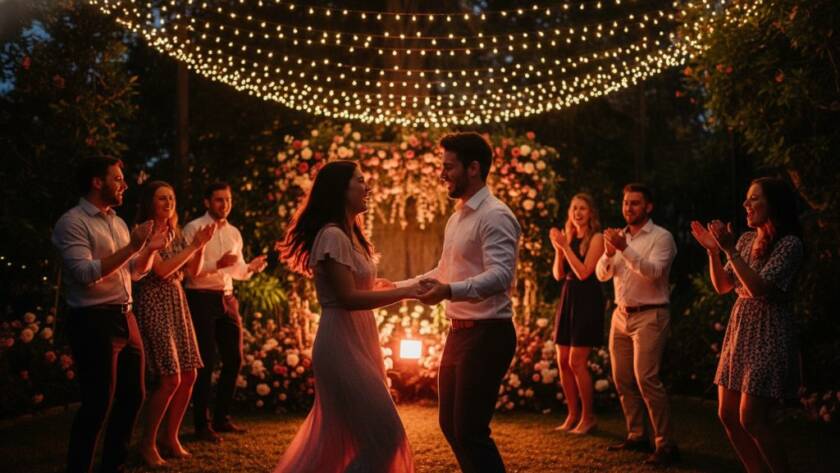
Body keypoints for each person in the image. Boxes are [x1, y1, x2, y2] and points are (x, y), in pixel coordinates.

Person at [275, 160, 418, 472]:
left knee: (368, 437)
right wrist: (407, 292)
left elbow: (355, 287)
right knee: (386, 435)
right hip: (340, 344)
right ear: (341, 189)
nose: (367, 188)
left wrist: (380, 286)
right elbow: (347, 298)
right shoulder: (332, 236)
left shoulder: (352, 235)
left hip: (361, 339)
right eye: (360, 181)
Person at [399, 132, 521, 473]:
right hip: (459, 334)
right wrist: (394, 288)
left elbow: (500, 277)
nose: (442, 174)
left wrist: (449, 291)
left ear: (474, 168)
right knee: (451, 427)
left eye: (448, 167)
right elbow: (442, 271)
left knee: (470, 431)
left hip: (488, 334)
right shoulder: (457, 218)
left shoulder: (495, 215)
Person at [52, 156, 170, 473]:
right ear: (96, 182)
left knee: (134, 395)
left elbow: (132, 272)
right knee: (98, 403)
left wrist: (150, 248)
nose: (124, 184)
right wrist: (133, 247)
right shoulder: (73, 222)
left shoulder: (116, 222)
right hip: (93, 319)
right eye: (117, 179)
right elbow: (84, 273)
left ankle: (113, 465)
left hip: (124, 316)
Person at [691, 177, 803, 473]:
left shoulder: (789, 244)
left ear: (773, 204)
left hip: (768, 331)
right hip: (740, 330)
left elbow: (759, 289)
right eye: (746, 198)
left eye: (754, 199)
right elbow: (724, 286)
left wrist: (729, 251)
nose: (746, 205)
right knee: (726, 414)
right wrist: (713, 251)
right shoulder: (743, 240)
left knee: (751, 418)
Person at [132, 181, 216, 466]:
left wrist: (200, 246)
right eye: (161, 199)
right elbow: (164, 271)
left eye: (171, 198)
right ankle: (147, 443)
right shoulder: (142, 233)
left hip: (177, 302)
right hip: (154, 303)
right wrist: (194, 245)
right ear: (149, 203)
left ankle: (171, 437)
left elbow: (192, 270)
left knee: (190, 374)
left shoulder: (175, 232)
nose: (168, 203)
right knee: (169, 378)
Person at [595, 183, 679, 466]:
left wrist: (624, 249)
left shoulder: (661, 237)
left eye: (635, 203)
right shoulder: (619, 237)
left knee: (646, 379)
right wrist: (608, 253)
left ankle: (665, 444)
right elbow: (601, 275)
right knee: (622, 379)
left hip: (651, 315)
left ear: (648, 207)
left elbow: (653, 273)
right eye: (626, 203)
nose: (628, 208)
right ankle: (637, 435)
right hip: (621, 315)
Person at [183, 182, 268, 442]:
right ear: (207, 202)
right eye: (219, 200)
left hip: (227, 298)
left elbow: (236, 270)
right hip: (200, 297)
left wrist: (251, 268)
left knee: (234, 360)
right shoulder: (194, 228)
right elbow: (188, 271)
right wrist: (216, 264)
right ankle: (201, 424)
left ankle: (221, 419)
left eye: (228, 200)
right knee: (205, 362)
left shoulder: (233, 233)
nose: (225, 204)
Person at [549, 193, 605, 435]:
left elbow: (583, 272)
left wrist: (564, 246)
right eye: (574, 208)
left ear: (590, 213)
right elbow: (558, 274)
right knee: (562, 360)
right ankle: (572, 414)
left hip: (587, 299)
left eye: (582, 208)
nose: (577, 213)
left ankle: (588, 417)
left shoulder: (597, 238)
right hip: (569, 296)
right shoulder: (569, 236)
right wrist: (559, 250)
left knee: (576, 361)